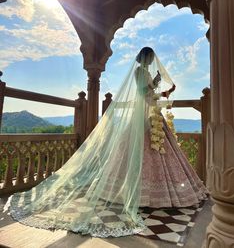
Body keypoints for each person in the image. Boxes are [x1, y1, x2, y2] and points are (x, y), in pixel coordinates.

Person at [6, 47, 207, 237]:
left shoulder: (145, 74)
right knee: (138, 150)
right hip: (142, 117)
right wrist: (154, 83)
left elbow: (150, 95)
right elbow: (142, 92)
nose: (153, 61)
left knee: (159, 150)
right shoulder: (138, 72)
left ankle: (162, 193)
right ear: (145, 58)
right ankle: (131, 192)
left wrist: (163, 91)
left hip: (151, 113)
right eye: (151, 58)